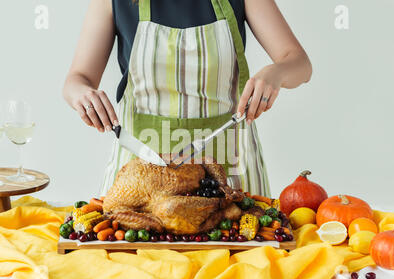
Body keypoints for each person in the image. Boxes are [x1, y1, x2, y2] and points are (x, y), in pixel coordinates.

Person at [63, 0, 312, 197]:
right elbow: (77, 79)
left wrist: (276, 73)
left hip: (232, 183)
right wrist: (82, 94)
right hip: (138, 188)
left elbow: (300, 64)